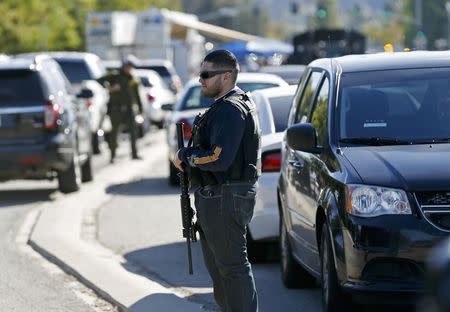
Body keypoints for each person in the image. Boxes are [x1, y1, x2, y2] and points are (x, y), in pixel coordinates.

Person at [172, 49, 261, 312]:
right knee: (223, 272)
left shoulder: (230, 109)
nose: (200, 80)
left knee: (233, 269)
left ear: (226, 76)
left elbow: (218, 158)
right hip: (222, 195)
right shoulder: (229, 105)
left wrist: (185, 156)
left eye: (206, 74)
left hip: (225, 196)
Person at [97, 56, 143, 163]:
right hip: (116, 109)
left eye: (130, 67)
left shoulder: (133, 79)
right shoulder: (114, 76)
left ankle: (134, 154)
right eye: (127, 66)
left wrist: (140, 110)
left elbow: (137, 96)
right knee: (114, 133)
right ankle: (112, 156)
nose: (129, 69)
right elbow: (99, 80)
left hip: (129, 110)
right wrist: (110, 88)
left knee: (133, 131)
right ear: (123, 66)